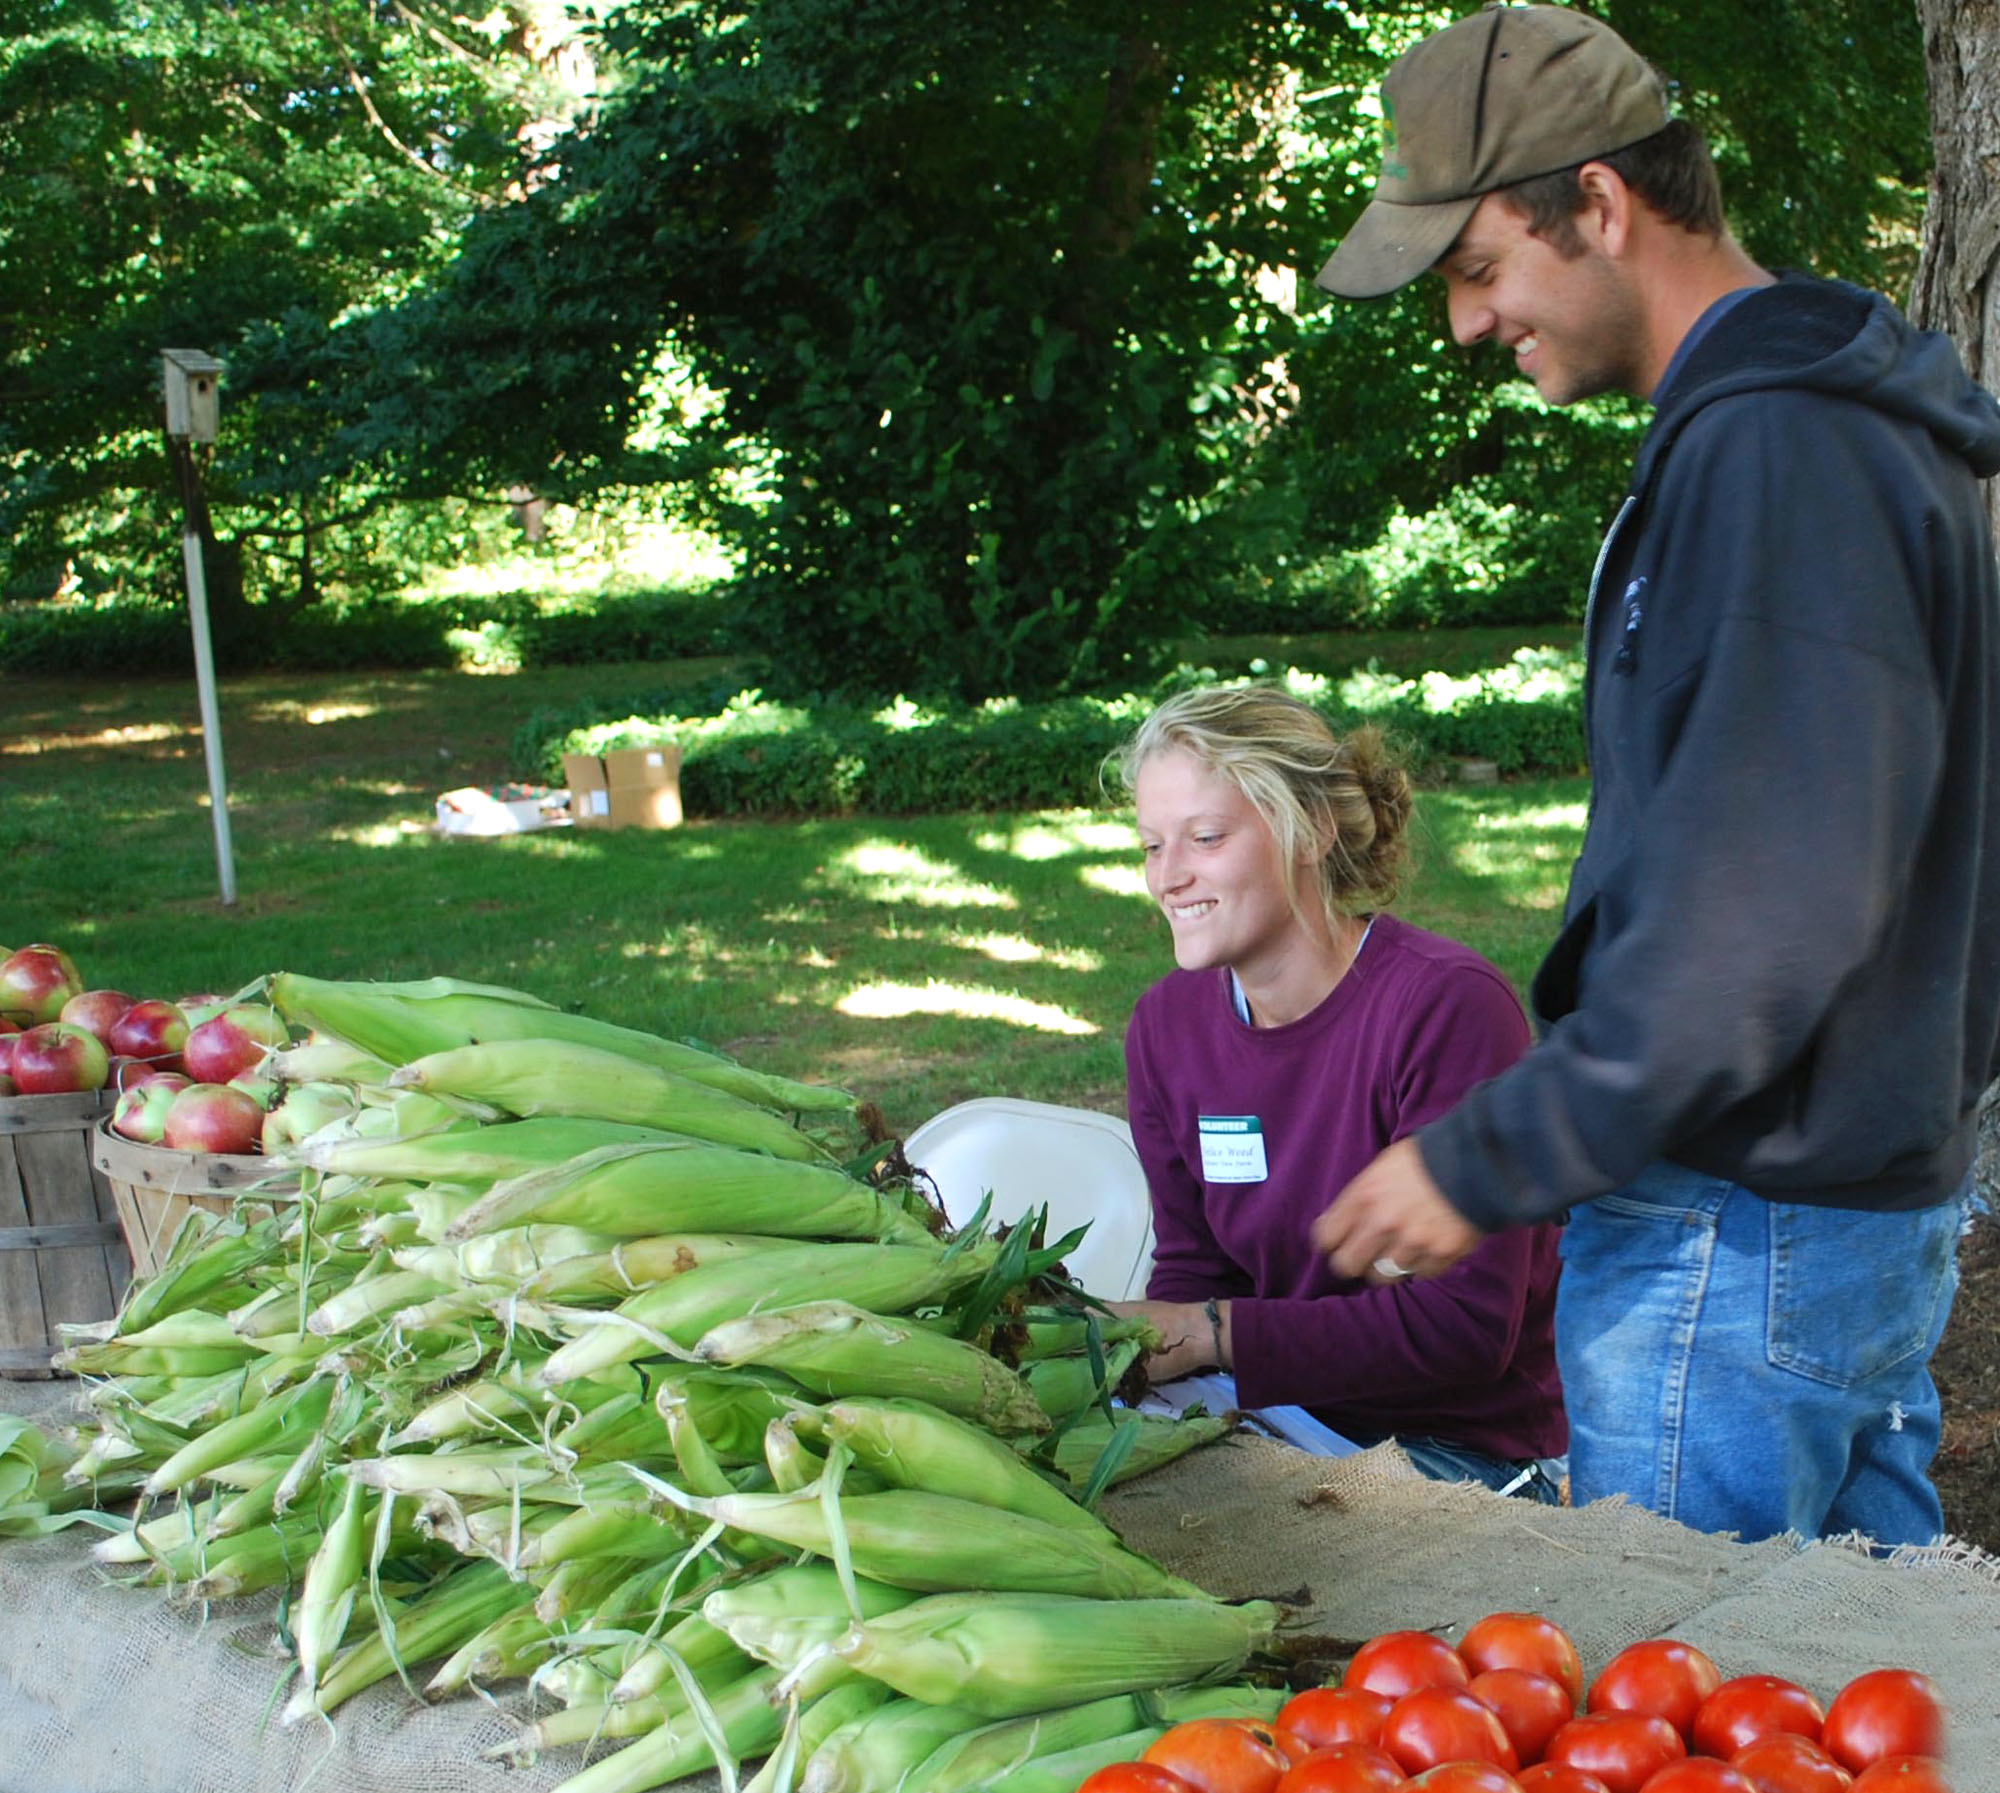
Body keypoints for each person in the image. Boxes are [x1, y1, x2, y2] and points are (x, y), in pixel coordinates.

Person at [1308, 4, 2000, 1546]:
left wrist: (1498, 1150)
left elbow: (1771, 905)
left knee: (1703, 1700)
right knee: (1862, 1710)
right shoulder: (1836, 429)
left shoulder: (1782, 455)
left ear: (1601, 204)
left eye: (1480, 270)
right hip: (1837, 1203)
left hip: (1739, 1231)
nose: (1467, 327)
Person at [1106, 683, 1567, 1498]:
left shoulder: (1446, 1005)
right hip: (1266, 1414)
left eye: (1205, 838)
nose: (1168, 877)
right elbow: (1193, 1267)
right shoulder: (1164, 1025)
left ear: (1312, 829)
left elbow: (1465, 1329)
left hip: (1461, 1454)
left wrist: (1215, 1334)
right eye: (1150, 845)